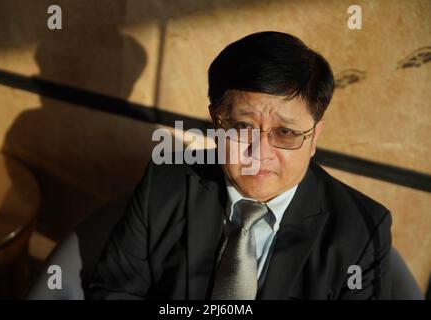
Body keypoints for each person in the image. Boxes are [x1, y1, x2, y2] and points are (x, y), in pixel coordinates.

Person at [87, 31, 392, 300]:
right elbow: (113, 290)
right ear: (216, 122)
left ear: (314, 137)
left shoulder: (361, 230)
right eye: (242, 127)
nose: (259, 152)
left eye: (285, 132)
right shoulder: (166, 183)